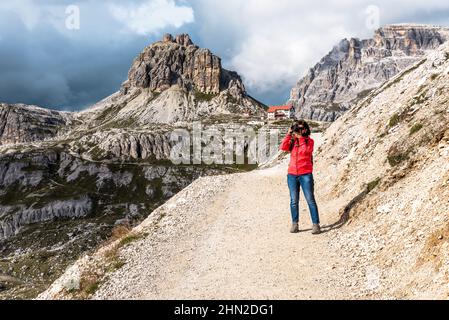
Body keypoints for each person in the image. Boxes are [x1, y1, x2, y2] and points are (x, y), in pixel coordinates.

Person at [280, 120, 321, 234]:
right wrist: (289, 134)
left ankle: (316, 224)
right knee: (294, 201)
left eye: (301, 128)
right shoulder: (293, 141)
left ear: (306, 129)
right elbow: (283, 147)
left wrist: (301, 137)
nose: (299, 130)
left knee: (310, 200)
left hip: (305, 174)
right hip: (292, 174)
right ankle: (295, 224)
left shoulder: (309, 141)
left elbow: (306, 152)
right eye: (297, 128)